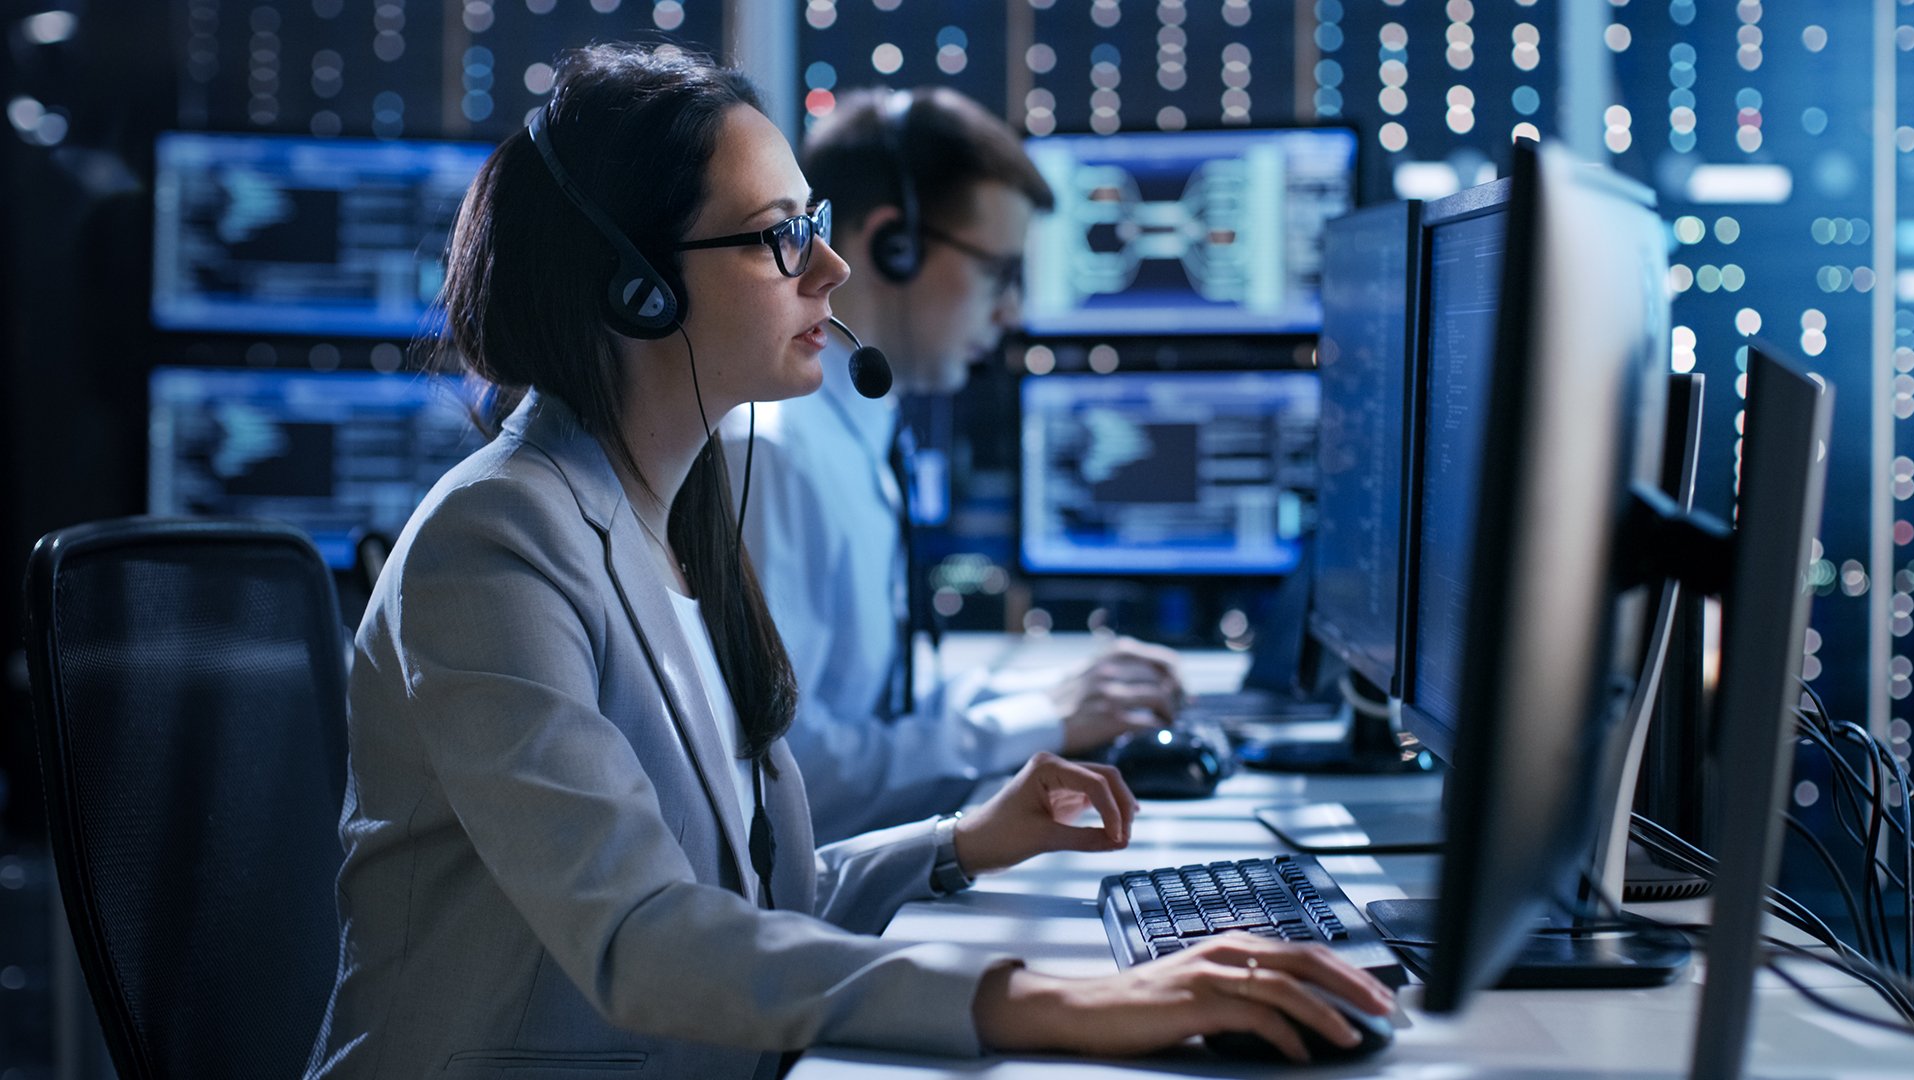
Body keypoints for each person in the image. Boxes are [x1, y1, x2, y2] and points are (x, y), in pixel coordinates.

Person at [305, 44, 1394, 1077]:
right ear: (638, 285)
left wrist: (959, 842)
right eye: (780, 235)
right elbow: (642, 933)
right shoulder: (494, 541)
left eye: (815, 225)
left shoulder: (677, 514)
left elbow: (750, 897)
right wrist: (1056, 1001)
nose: (829, 267)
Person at [729, 86, 1186, 844]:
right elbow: (791, 777)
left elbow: (882, 703)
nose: (1012, 313)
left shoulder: (860, 433)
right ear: (892, 246)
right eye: (999, 273)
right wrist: (1044, 719)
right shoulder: (773, 456)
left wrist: (1055, 698)